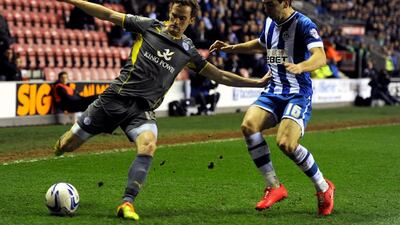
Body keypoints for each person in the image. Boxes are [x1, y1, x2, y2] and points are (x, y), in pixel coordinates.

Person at [54, 0, 272, 221]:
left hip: (141, 110)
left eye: (182, 18)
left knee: (148, 145)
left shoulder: (188, 50)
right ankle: (59, 147)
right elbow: (107, 14)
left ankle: (127, 202)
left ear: (191, 21)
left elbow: (220, 75)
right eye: (174, 15)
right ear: (170, 12)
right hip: (114, 99)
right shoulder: (149, 26)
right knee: (67, 145)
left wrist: (256, 83)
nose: (176, 22)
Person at [209, 0, 335, 216]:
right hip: (274, 90)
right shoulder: (269, 21)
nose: (265, 8)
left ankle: (324, 187)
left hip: (297, 93)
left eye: (270, 4)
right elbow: (262, 44)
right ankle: (275, 186)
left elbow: (320, 57)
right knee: (249, 125)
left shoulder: (304, 24)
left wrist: (301, 66)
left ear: (285, 2)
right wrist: (232, 48)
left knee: (286, 143)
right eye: (264, 4)